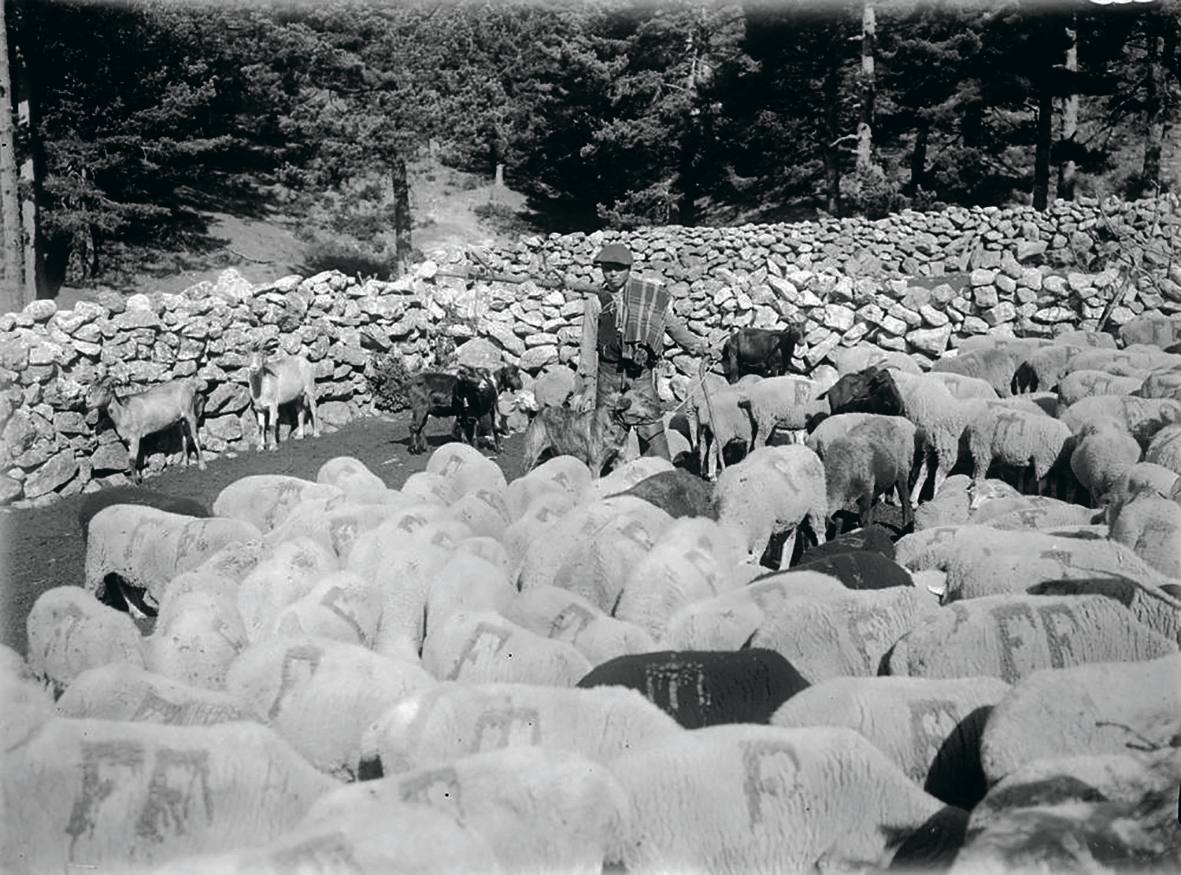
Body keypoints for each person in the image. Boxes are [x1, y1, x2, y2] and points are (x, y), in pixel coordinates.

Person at [577, 242, 710, 461]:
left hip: (639, 375)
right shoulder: (595, 303)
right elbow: (588, 345)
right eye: (607, 268)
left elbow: (672, 326)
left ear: (629, 269)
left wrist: (698, 346)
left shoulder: (648, 299)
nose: (612, 274)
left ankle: (660, 476)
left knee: (651, 428)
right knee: (606, 433)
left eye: (618, 268)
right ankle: (607, 483)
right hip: (608, 376)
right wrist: (590, 385)